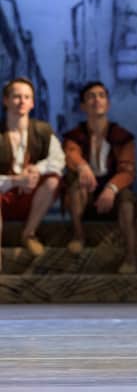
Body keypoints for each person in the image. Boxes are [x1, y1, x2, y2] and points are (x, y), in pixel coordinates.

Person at [62, 81, 137, 274]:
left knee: (127, 201)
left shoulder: (122, 137)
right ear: (83, 106)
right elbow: (70, 153)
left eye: (101, 95)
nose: (97, 100)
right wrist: (82, 166)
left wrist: (111, 189)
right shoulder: (75, 135)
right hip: (87, 191)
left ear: (108, 103)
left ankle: (131, 257)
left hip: (112, 191)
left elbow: (127, 171)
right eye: (91, 96)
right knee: (75, 188)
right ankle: (79, 236)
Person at [0, 77, 65, 271]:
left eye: (26, 97)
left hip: (30, 200)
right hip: (3, 197)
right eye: (16, 96)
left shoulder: (42, 130)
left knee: (53, 181)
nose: (21, 101)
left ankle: (28, 234)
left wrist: (36, 170)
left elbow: (58, 160)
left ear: (32, 102)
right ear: (6, 101)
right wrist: (15, 180)